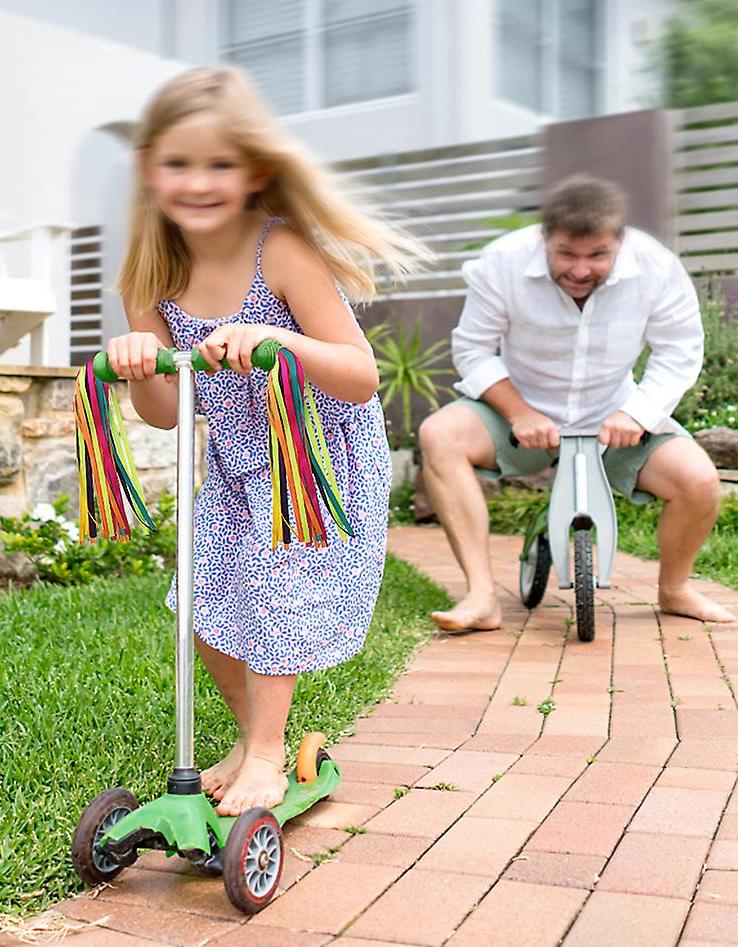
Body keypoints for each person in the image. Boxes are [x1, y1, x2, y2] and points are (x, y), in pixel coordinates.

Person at [104, 66, 427, 816]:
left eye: (220, 163)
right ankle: (250, 737)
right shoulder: (147, 275)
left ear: (254, 169)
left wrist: (277, 338)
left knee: (277, 590)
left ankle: (270, 756)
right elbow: (163, 413)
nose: (198, 181)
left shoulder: (279, 252)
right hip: (236, 460)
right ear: (150, 168)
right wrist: (137, 363)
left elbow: (359, 375)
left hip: (315, 458)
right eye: (179, 163)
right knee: (203, 598)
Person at [419, 174, 735, 631]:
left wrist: (638, 414)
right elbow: (472, 350)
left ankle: (675, 590)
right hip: (519, 417)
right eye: (566, 253)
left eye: (597, 255)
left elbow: (680, 349)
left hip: (615, 419)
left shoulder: (656, 266)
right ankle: (482, 596)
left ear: (620, 243)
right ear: (545, 239)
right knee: (439, 434)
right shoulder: (502, 261)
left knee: (700, 480)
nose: (581, 269)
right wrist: (520, 413)